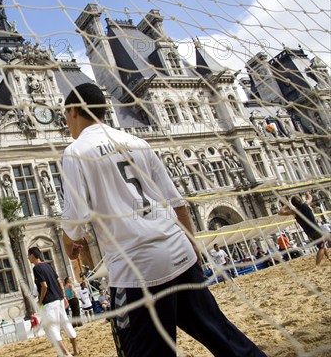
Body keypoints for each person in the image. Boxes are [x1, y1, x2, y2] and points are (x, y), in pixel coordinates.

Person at [60, 83, 266, 357]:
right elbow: (176, 202)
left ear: (73, 111)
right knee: (222, 335)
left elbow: (75, 218)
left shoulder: (76, 151)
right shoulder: (138, 143)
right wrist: (191, 242)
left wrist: (67, 240)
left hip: (137, 270)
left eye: (65, 117)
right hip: (179, 253)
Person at [28, 247, 80, 357]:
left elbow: (44, 286)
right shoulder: (48, 265)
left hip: (49, 302)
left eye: (29, 256)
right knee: (65, 323)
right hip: (59, 299)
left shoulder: (36, 268)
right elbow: (59, 281)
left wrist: (40, 301)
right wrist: (64, 296)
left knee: (50, 328)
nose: (28, 258)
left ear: (32, 255)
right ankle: (75, 350)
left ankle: (65, 353)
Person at [279, 193, 331, 266]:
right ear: (300, 200)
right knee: (321, 247)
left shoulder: (294, 211)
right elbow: (310, 197)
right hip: (316, 229)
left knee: (321, 244)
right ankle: (317, 265)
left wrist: (285, 205)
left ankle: (328, 258)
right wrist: (308, 193)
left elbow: (280, 213)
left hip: (308, 232)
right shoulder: (305, 205)